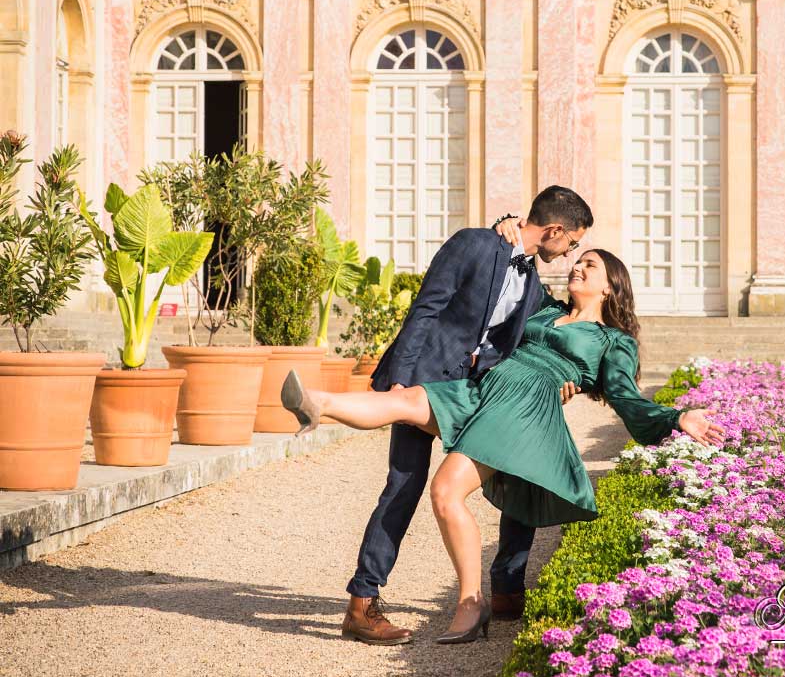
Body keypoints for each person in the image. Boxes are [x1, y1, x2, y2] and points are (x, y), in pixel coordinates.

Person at [282, 248, 724, 644]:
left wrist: (675, 418)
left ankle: (472, 603)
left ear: (610, 286)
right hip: (485, 387)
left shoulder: (614, 341)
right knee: (405, 400)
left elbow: (626, 398)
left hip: (522, 407)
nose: (578, 266)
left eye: (590, 264)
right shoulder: (546, 311)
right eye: (577, 259)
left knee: (445, 492)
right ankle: (315, 404)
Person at [320, 185, 592, 646]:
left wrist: (570, 374)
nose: (571, 251)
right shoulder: (473, 243)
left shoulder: (531, 282)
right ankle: (362, 605)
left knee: (522, 467)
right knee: (403, 487)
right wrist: (401, 382)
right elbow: (425, 310)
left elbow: (557, 328)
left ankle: (506, 589)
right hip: (422, 381)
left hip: (472, 393)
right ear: (554, 230)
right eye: (573, 241)